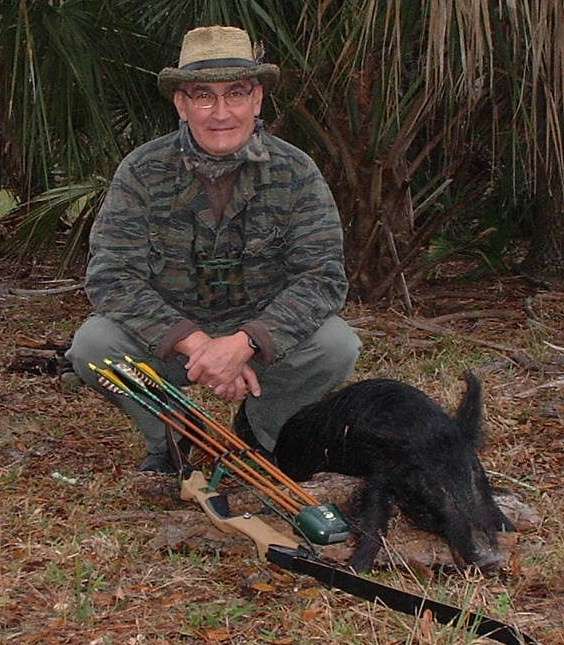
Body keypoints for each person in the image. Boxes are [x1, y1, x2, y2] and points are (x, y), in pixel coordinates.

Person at [67, 25, 361, 472]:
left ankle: (261, 434)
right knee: (94, 345)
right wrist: (197, 343)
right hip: (172, 341)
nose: (220, 113)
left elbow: (322, 278)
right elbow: (111, 276)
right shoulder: (142, 171)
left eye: (236, 94)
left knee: (336, 345)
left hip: (262, 341)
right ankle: (174, 435)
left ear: (257, 100)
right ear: (181, 104)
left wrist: (246, 342)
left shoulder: (296, 171)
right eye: (204, 96)